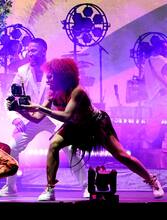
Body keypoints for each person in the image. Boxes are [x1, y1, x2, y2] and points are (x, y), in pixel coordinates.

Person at [12, 57, 164, 201]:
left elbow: (66, 115)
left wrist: (38, 106)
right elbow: (37, 118)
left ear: (61, 76)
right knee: (54, 145)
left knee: (121, 155)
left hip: (96, 124)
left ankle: (152, 180)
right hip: (75, 126)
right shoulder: (51, 92)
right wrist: (20, 109)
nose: (48, 80)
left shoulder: (78, 91)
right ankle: (50, 189)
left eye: (51, 77)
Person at [0, 38, 89, 198]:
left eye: (33, 51)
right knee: (12, 148)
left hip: (54, 117)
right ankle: (10, 187)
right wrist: (14, 117)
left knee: (71, 149)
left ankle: (87, 186)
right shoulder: (23, 71)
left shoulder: (55, 69)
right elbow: (10, 97)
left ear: (43, 51)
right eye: (28, 51)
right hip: (31, 118)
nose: (29, 54)